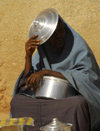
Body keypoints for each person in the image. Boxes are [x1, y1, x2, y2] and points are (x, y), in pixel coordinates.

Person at [10, 9, 100, 131]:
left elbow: (88, 78)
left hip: (67, 101)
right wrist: (28, 56)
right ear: (46, 39)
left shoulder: (79, 48)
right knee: (18, 102)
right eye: (54, 35)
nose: (59, 37)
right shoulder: (43, 52)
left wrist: (47, 73)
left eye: (61, 31)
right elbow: (26, 85)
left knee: (78, 104)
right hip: (44, 101)